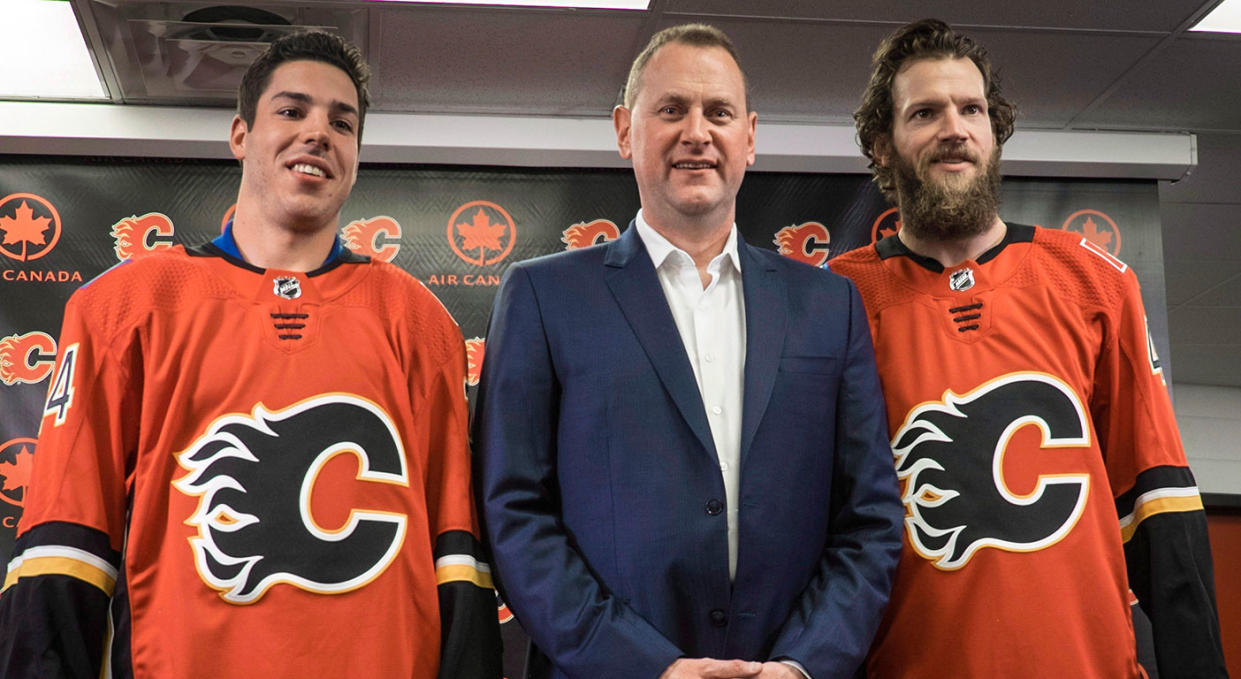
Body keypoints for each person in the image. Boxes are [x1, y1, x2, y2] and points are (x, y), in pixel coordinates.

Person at [0, 30, 500, 679]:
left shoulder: (417, 320)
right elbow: (65, 546)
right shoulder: (125, 307)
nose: (318, 132)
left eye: (341, 123)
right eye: (292, 111)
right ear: (240, 135)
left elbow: (455, 557)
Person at [473, 23, 902, 679]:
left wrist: (801, 664)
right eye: (670, 109)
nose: (697, 132)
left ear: (749, 138)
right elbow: (513, 515)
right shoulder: (542, 296)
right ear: (624, 130)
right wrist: (647, 666)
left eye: (718, 113)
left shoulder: (827, 307)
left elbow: (868, 521)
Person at [832, 18, 1228, 679]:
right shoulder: (834, 301)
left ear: (994, 131)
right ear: (882, 144)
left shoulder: (1093, 281)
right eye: (924, 112)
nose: (953, 127)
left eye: (971, 109)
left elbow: (1158, 507)